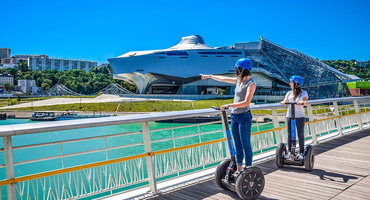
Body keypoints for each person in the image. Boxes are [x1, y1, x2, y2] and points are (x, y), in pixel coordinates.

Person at [201, 58, 256, 173]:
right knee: (237, 144)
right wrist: (210, 76)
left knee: (245, 144)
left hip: (244, 117)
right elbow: (223, 79)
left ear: (242, 69)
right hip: (235, 116)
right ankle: (239, 169)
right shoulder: (239, 81)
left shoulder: (251, 84)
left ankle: (249, 170)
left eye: (237, 69)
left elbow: (246, 102)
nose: (236, 71)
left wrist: (229, 105)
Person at [280, 75, 308, 160]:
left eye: (291, 82)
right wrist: (283, 102)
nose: (290, 84)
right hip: (289, 116)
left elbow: (306, 101)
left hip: (299, 116)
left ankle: (302, 152)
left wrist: (302, 101)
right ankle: (290, 152)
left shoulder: (304, 93)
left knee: (300, 134)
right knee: (290, 134)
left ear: (296, 83)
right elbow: (285, 100)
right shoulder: (289, 93)